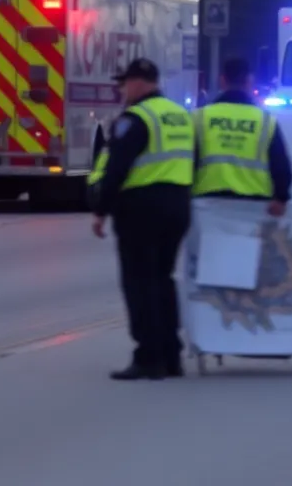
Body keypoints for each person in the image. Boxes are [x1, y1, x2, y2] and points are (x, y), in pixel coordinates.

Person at [89, 58, 196, 381]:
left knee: (139, 283)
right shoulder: (180, 115)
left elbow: (116, 169)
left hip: (141, 208)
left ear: (140, 82)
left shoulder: (135, 119)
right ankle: (171, 355)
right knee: (162, 280)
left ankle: (148, 357)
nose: (121, 89)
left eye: (124, 83)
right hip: (177, 204)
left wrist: (100, 210)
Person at [192, 56, 292, 214]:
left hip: (207, 204)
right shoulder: (266, 121)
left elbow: (187, 162)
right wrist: (281, 198)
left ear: (222, 81)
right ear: (249, 82)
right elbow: (282, 167)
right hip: (255, 206)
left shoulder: (200, 117)